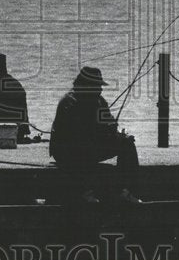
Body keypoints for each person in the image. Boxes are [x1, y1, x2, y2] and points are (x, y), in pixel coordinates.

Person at [49, 66, 140, 204]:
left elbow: (108, 126)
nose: (101, 89)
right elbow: (76, 135)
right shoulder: (69, 102)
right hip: (67, 150)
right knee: (82, 146)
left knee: (127, 144)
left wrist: (117, 134)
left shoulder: (99, 101)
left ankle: (126, 190)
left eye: (100, 86)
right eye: (97, 86)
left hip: (91, 146)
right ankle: (84, 191)